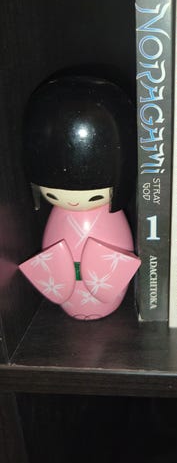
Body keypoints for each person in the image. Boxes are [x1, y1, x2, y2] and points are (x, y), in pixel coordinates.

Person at [19, 74, 140, 320]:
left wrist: (98, 271)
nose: (73, 200)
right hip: (67, 292)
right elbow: (52, 260)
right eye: (51, 193)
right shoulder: (60, 213)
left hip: (105, 291)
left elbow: (118, 262)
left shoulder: (110, 207)